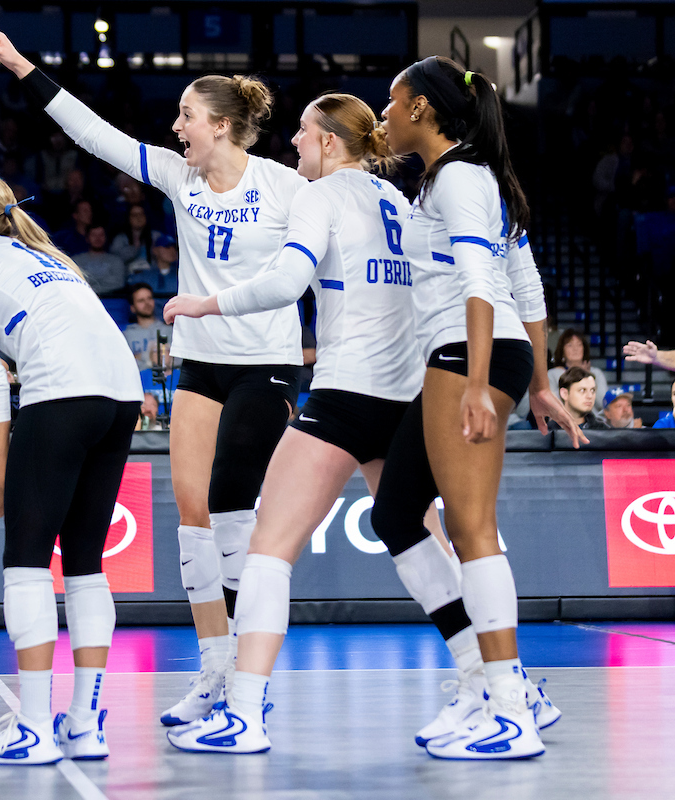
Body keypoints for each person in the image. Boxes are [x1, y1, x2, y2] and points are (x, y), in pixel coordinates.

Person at [0, 24, 307, 727]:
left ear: (221, 125)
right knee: (192, 522)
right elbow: (93, 134)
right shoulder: (182, 178)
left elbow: (309, 269)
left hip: (266, 363)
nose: (176, 127)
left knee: (231, 513)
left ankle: (251, 678)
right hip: (202, 363)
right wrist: (21, 63)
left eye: (188, 116)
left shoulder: (283, 185)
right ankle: (215, 670)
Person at [160, 92, 465, 752]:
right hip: (408, 395)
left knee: (267, 549)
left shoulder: (320, 196)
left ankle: (244, 712)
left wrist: (204, 304)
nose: (292, 142)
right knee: (415, 538)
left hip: (346, 393)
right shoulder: (400, 202)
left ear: (330, 142)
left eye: (302, 132)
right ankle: (495, 678)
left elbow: (284, 283)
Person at [369, 57, 584, 759]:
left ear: (422, 109)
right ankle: (489, 685)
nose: (385, 113)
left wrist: (478, 381)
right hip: (477, 354)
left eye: (393, 101)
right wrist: (541, 383)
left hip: (467, 354)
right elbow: (530, 282)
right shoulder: (460, 177)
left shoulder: (461, 177)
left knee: (471, 528)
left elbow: (481, 281)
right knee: (395, 514)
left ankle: (511, 712)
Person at [0, 173, 141, 765]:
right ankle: (84, 724)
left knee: (26, 565)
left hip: (62, 395)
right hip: (121, 395)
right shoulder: (46, 256)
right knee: (85, 566)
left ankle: (31, 728)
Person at [547, 328, 607, 411]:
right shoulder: (553, 374)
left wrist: (589, 378)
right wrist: (577, 377)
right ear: (562, 350)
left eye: (579, 345)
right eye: (570, 345)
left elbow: (603, 403)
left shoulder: (596, 373)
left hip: (591, 417)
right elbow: (551, 403)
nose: (575, 349)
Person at [122, 283, 172, 371]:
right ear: (132, 308)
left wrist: (139, 356)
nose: (147, 303)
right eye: (141, 300)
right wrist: (152, 356)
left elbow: (178, 360)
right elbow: (124, 363)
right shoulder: (126, 335)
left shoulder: (169, 330)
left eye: (149, 298)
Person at [73, 223, 128, 295]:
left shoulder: (116, 260)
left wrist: (92, 282)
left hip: (111, 297)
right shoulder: (76, 260)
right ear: (87, 238)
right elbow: (75, 282)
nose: (98, 238)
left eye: (101, 235)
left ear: (106, 237)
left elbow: (119, 283)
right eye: (94, 235)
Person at [553, 366, 609, 430]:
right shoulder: (547, 431)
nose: (590, 396)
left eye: (592, 390)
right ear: (564, 394)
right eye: (582, 390)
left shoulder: (603, 431)